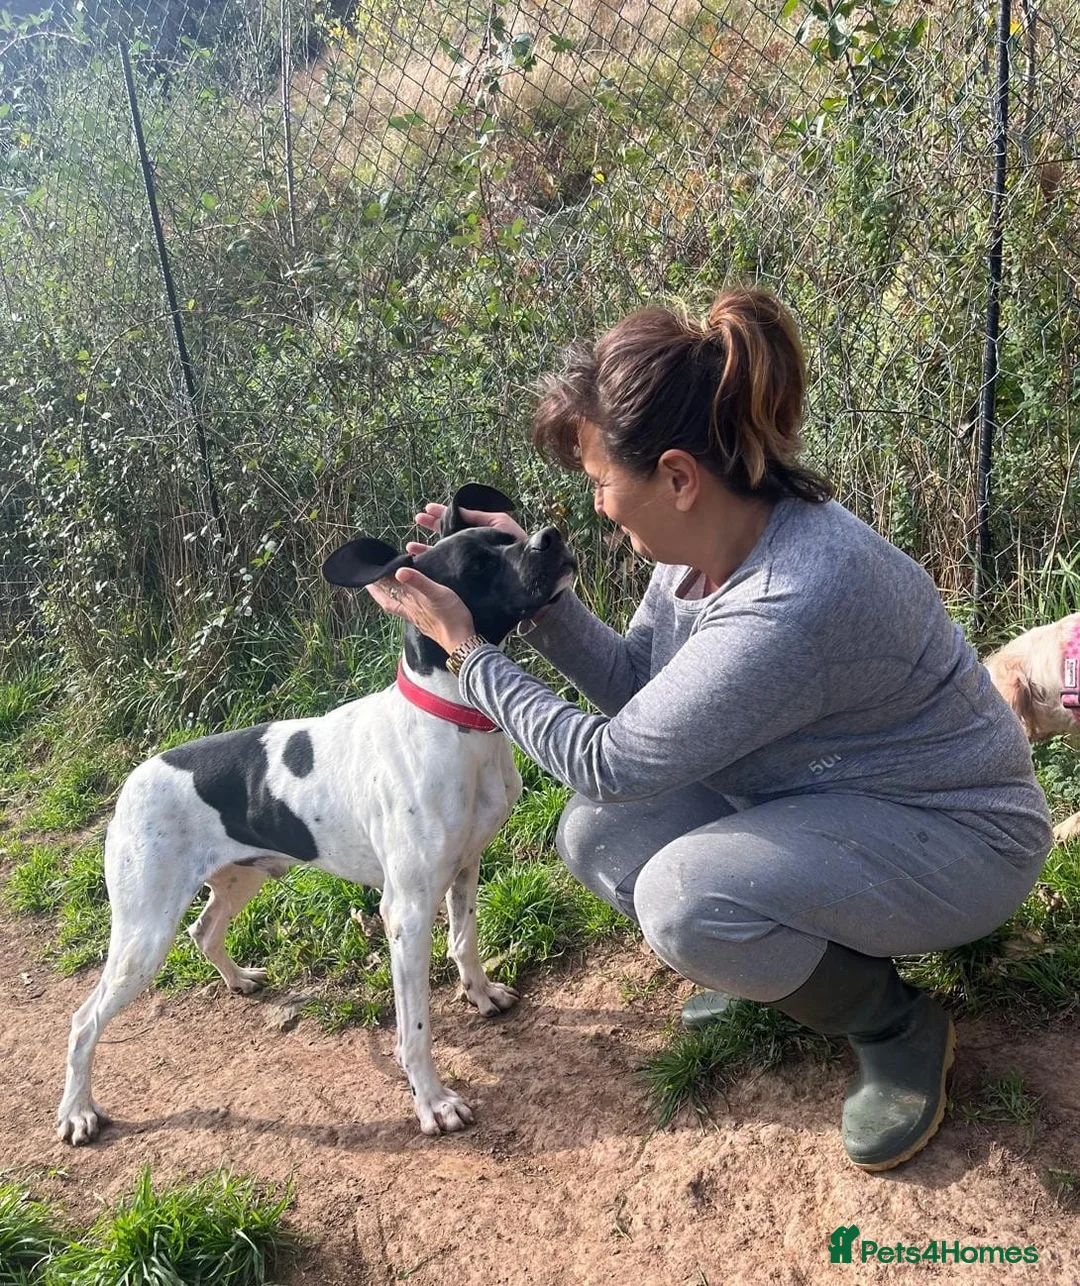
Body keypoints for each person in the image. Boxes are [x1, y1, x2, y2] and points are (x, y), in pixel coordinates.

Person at [365, 288, 1052, 1172]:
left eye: (602, 482)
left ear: (680, 478)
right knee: (594, 833)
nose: (599, 508)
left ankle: (894, 1023)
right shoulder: (703, 550)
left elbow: (609, 758)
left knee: (684, 900)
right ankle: (775, 964)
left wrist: (467, 650)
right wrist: (529, 590)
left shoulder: (791, 598)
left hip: (961, 837)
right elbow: (636, 694)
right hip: (834, 797)